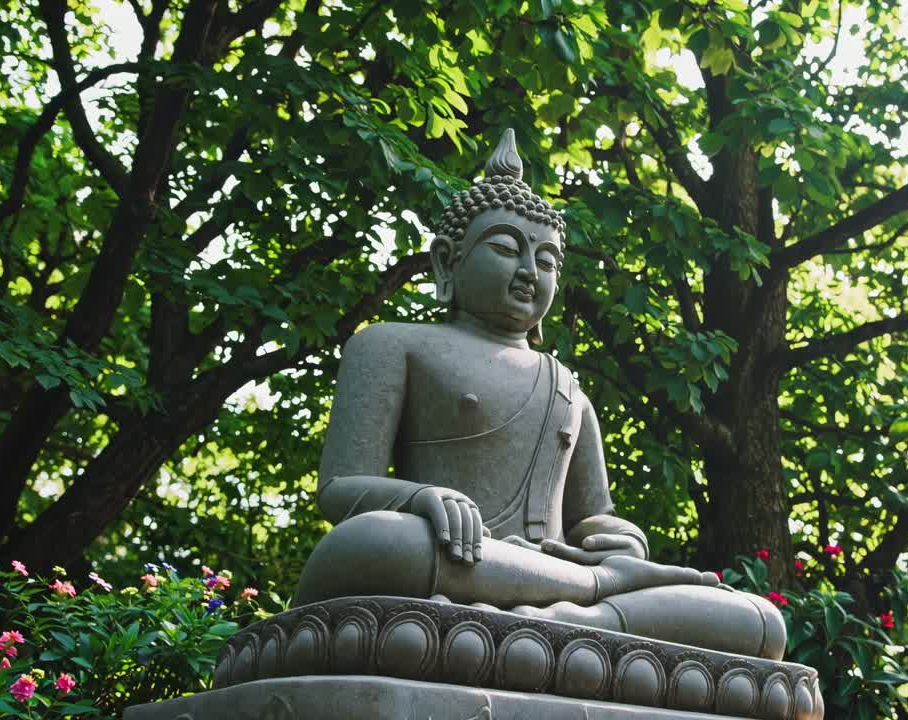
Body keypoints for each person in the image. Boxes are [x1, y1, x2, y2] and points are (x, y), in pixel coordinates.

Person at [293, 130, 785, 660]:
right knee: (377, 543)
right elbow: (339, 487)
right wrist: (418, 499)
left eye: (547, 260)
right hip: (455, 558)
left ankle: (575, 619)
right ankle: (591, 608)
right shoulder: (391, 345)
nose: (530, 270)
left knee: (760, 623)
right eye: (506, 248)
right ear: (445, 263)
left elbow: (590, 516)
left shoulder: (566, 386)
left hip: (543, 573)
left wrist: (621, 539)